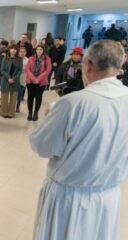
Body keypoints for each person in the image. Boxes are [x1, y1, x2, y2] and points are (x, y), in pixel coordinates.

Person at [30, 40, 128, 240]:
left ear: (88, 65)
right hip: (107, 195)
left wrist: (51, 117)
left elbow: (42, 146)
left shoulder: (73, 103)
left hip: (69, 198)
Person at [25, 45, 52, 121]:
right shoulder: (31, 58)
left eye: (40, 49)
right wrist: (33, 78)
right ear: (35, 50)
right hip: (30, 81)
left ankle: (35, 113)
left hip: (41, 82)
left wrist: (38, 78)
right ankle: (30, 113)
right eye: (37, 49)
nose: (39, 51)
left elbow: (48, 70)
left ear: (43, 50)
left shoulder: (47, 59)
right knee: (30, 97)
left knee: (38, 97)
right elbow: (27, 69)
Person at [0, 45, 22, 118]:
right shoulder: (5, 58)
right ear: (9, 50)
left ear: (16, 51)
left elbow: (20, 71)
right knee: (4, 97)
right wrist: (8, 78)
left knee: (13, 98)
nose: (13, 50)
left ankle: (11, 113)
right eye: (12, 49)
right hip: (5, 80)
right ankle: (4, 112)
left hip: (15, 81)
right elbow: (2, 70)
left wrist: (13, 79)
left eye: (15, 49)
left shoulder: (19, 59)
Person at [16, 47, 29, 113]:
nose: (22, 53)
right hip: (15, 79)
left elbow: (28, 69)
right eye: (20, 51)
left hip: (23, 79)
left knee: (19, 94)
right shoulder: (15, 59)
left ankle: (17, 107)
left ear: (25, 52)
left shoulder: (27, 60)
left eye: (23, 51)